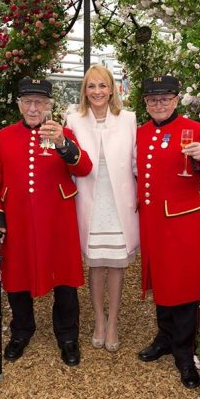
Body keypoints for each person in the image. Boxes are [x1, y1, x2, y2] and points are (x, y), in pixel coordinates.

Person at [0, 76, 92, 367]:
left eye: (40, 102)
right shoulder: (3, 137)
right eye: (28, 102)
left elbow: (84, 168)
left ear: (49, 106)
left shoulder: (63, 132)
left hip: (57, 219)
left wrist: (63, 144)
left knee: (65, 278)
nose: (34, 108)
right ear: (19, 104)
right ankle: (21, 331)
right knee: (16, 276)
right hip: (17, 218)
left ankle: (68, 336)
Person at [136, 75, 200, 389]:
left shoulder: (194, 130)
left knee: (185, 290)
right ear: (145, 103)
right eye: (152, 99)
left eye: (165, 98)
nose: (159, 104)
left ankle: (184, 355)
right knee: (162, 282)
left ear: (176, 100)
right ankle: (164, 338)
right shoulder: (141, 133)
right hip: (152, 222)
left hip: (182, 224)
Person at [66, 64, 139, 352]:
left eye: (102, 85)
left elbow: (136, 163)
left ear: (112, 89)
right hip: (88, 200)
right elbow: (66, 160)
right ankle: (98, 318)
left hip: (119, 201)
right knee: (96, 265)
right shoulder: (72, 120)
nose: (97, 91)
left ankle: (113, 323)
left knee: (116, 265)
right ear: (85, 90)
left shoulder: (128, 119)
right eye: (91, 86)